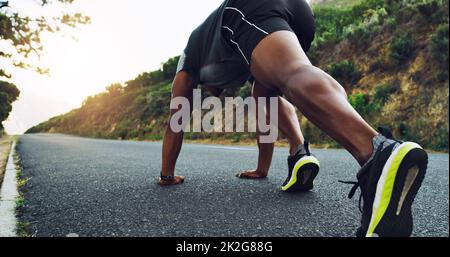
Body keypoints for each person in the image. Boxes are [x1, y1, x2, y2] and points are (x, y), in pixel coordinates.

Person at [158, 0, 428, 237]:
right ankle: (300, 151)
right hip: (299, 12)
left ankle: (377, 152)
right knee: (265, 92)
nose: (210, 93)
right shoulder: (243, 52)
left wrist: (167, 175)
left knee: (292, 72)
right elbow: (266, 109)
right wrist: (262, 169)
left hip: (243, 8)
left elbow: (176, 118)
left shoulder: (189, 61)